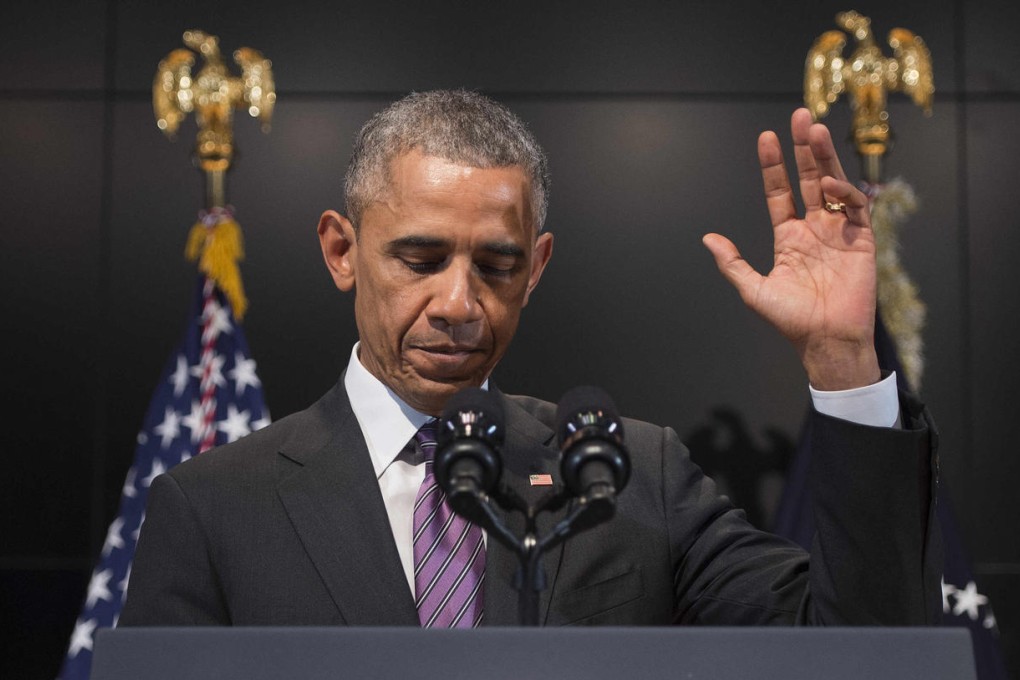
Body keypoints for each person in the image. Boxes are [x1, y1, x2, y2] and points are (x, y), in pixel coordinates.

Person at [121, 90, 940, 628]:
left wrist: (843, 359)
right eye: (420, 259)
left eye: (496, 265)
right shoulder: (214, 509)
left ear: (537, 267)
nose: (458, 302)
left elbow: (854, 648)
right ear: (342, 250)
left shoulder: (635, 477)